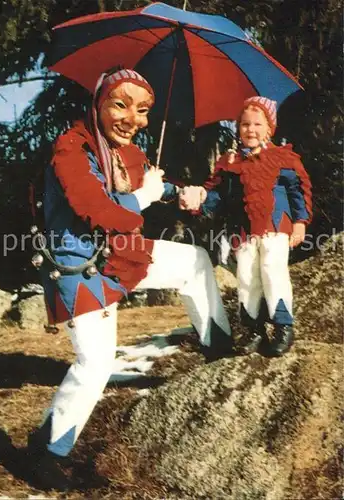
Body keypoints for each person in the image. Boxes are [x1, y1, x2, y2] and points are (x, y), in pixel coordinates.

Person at [28, 68, 233, 491]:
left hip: (120, 255)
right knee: (96, 364)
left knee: (194, 261)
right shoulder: (72, 148)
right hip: (79, 267)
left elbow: (156, 184)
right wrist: (146, 195)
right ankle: (45, 453)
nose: (132, 119)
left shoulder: (128, 152)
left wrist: (187, 193)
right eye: (120, 105)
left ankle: (219, 351)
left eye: (142, 110)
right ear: (99, 103)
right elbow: (100, 210)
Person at [180, 96, 312, 357]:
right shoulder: (230, 163)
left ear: (269, 128)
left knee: (272, 270)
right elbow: (216, 194)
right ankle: (254, 329)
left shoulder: (282, 158)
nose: (250, 130)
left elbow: (299, 190)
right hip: (243, 231)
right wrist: (197, 200)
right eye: (244, 124)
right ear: (238, 127)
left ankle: (283, 327)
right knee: (247, 277)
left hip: (276, 227)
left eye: (257, 125)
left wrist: (300, 222)